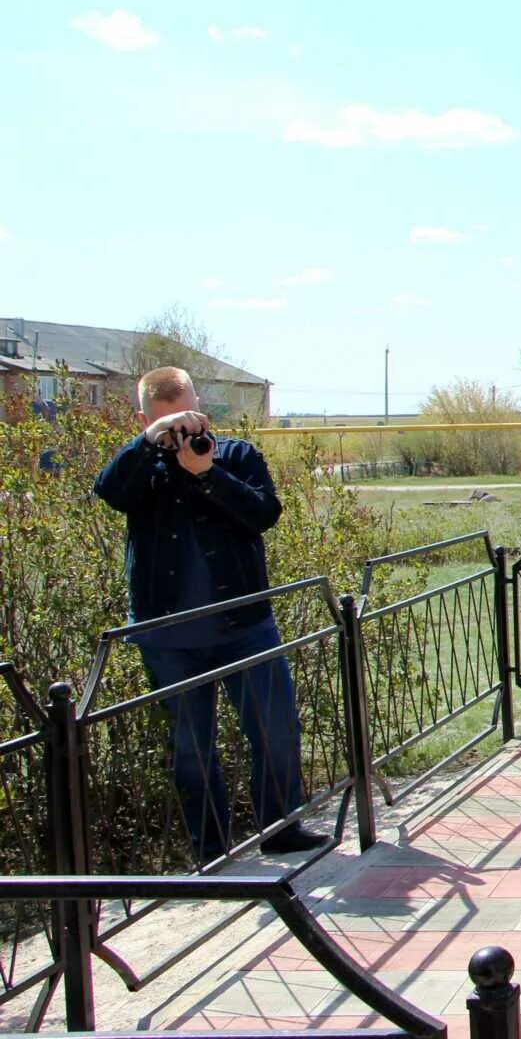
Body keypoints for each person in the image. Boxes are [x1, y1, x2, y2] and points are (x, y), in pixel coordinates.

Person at [93, 367, 325, 862]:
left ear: (201, 410)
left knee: (276, 730)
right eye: (166, 425)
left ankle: (281, 828)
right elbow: (110, 492)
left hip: (245, 625)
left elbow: (264, 514)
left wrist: (208, 475)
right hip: (167, 637)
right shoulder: (142, 469)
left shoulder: (236, 456)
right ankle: (213, 851)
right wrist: (147, 445)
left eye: (186, 420)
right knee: (191, 751)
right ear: (145, 421)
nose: (181, 434)